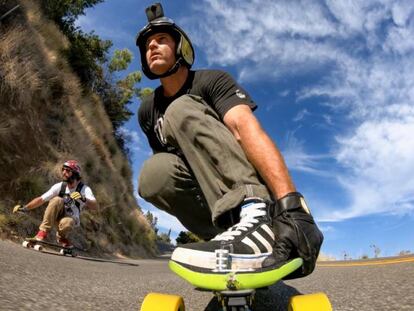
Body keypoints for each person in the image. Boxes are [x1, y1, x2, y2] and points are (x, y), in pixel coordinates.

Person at [136, 3, 323, 277]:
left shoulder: (211, 80)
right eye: (147, 45)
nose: (152, 47)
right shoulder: (148, 111)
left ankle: (258, 219)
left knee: (181, 109)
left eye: (161, 40)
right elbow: (171, 168)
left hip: (247, 190)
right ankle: (229, 234)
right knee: (153, 174)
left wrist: (290, 203)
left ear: (181, 48)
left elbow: (244, 128)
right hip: (210, 204)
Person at [13, 160, 98, 248]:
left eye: (68, 171)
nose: (64, 172)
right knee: (57, 200)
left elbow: (95, 206)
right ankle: (42, 232)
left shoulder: (84, 189)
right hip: (55, 215)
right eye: (63, 170)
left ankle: (62, 237)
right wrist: (25, 208)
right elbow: (41, 199)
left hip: (70, 218)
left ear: (75, 174)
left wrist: (83, 198)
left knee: (67, 223)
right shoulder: (60, 186)